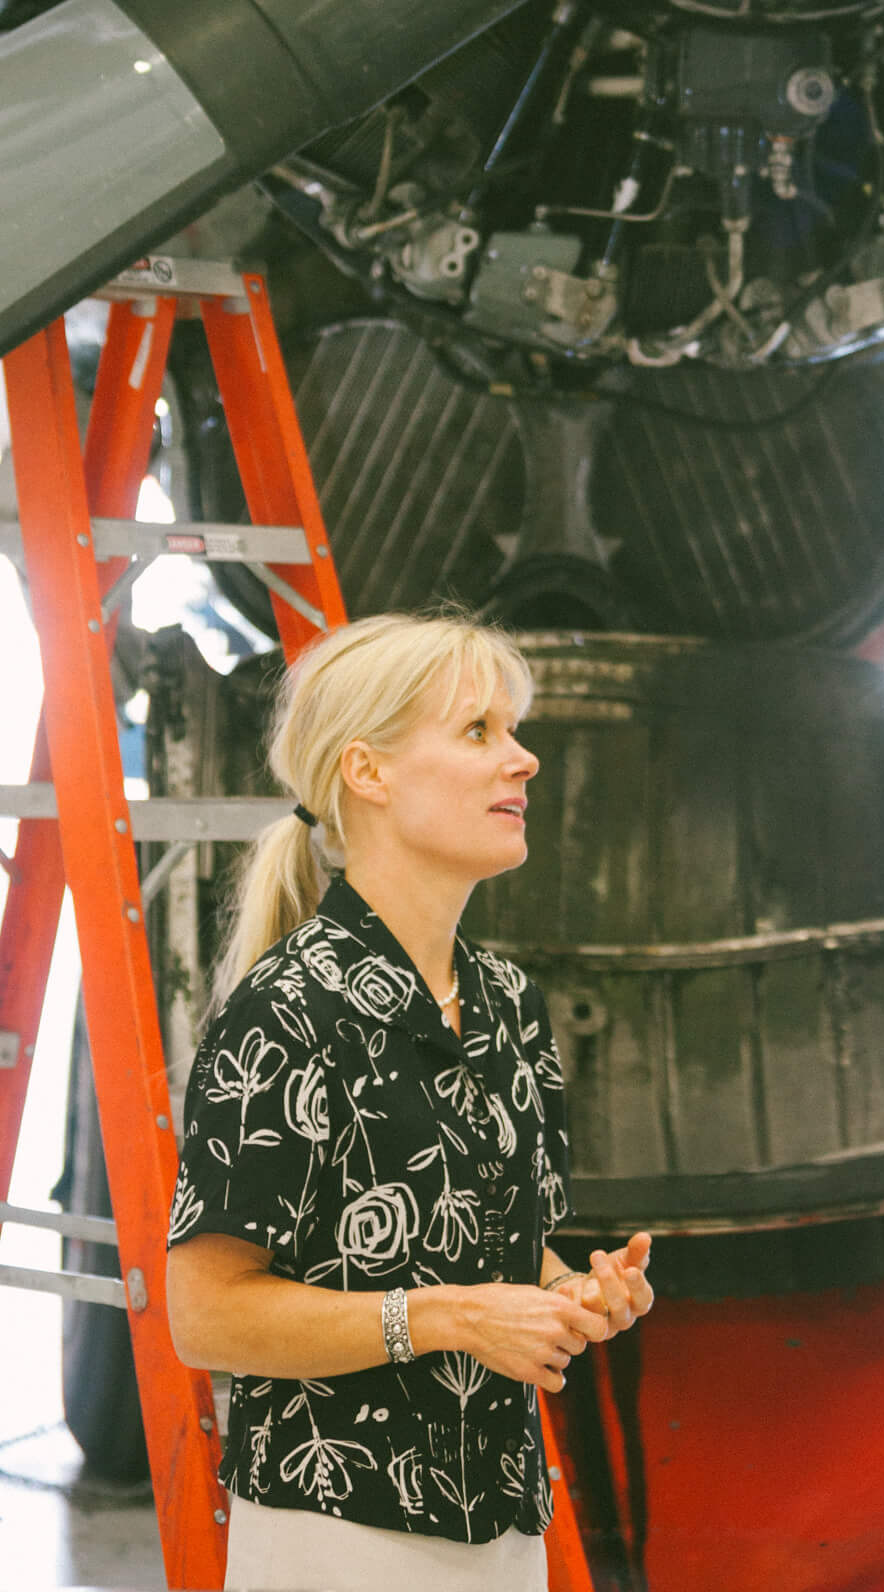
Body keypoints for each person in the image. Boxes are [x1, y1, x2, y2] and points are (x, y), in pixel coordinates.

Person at [166, 611, 653, 1591]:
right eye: (479, 730)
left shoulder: (511, 1003)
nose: (523, 760)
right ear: (367, 771)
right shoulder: (284, 1011)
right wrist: (445, 1318)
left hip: (505, 1530)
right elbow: (204, 1314)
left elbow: (488, 1255)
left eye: (513, 730)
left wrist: (572, 1293)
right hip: (338, 1533)